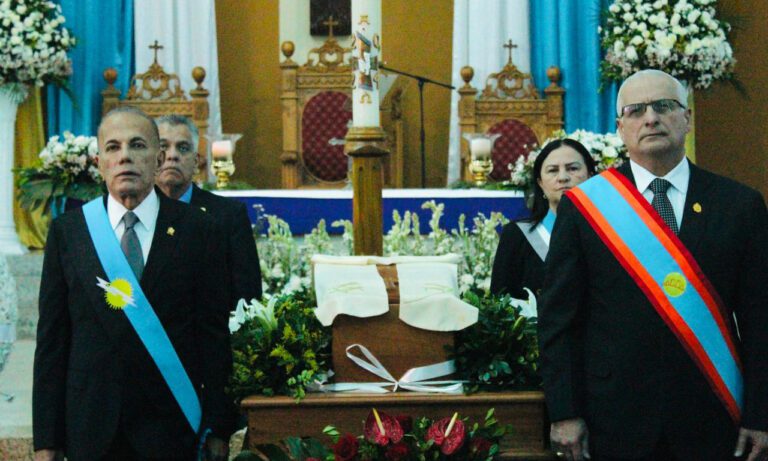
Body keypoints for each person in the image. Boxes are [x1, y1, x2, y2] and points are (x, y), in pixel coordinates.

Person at [538, 69, 768, 461]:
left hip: (713, 414)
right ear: (620, 127)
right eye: (636, 109)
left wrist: (761, 414)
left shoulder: (740, 205)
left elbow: (761, 317)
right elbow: (559, 320)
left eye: (664, 106)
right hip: (613, 417)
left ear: (687, 118)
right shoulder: (584, 208)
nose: (650, 118)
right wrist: (565, 412)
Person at [33, 107, 233, 461]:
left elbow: (213, 335)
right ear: (98, 161)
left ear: (157, 158)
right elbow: (52, 342)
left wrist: (219, 426)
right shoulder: (69, 233)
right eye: (113, 147)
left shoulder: (199, 231)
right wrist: (47, 440)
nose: (124, 155)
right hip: (91, 426)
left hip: (171, 426)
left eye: (137, 145)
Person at [155, 114, 262, 309]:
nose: (172, 155)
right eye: (163, 147)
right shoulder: (134, 213)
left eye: (183, 148)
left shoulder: (228, 215)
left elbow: (247, 296)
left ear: (196, 162)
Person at [491, 139, 596, 300]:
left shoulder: (608, 232)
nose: (563, 177)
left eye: (573, 168)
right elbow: (499, 303)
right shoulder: (517, 235)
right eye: (553, 170)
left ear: (590, 176)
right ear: (540, 183)